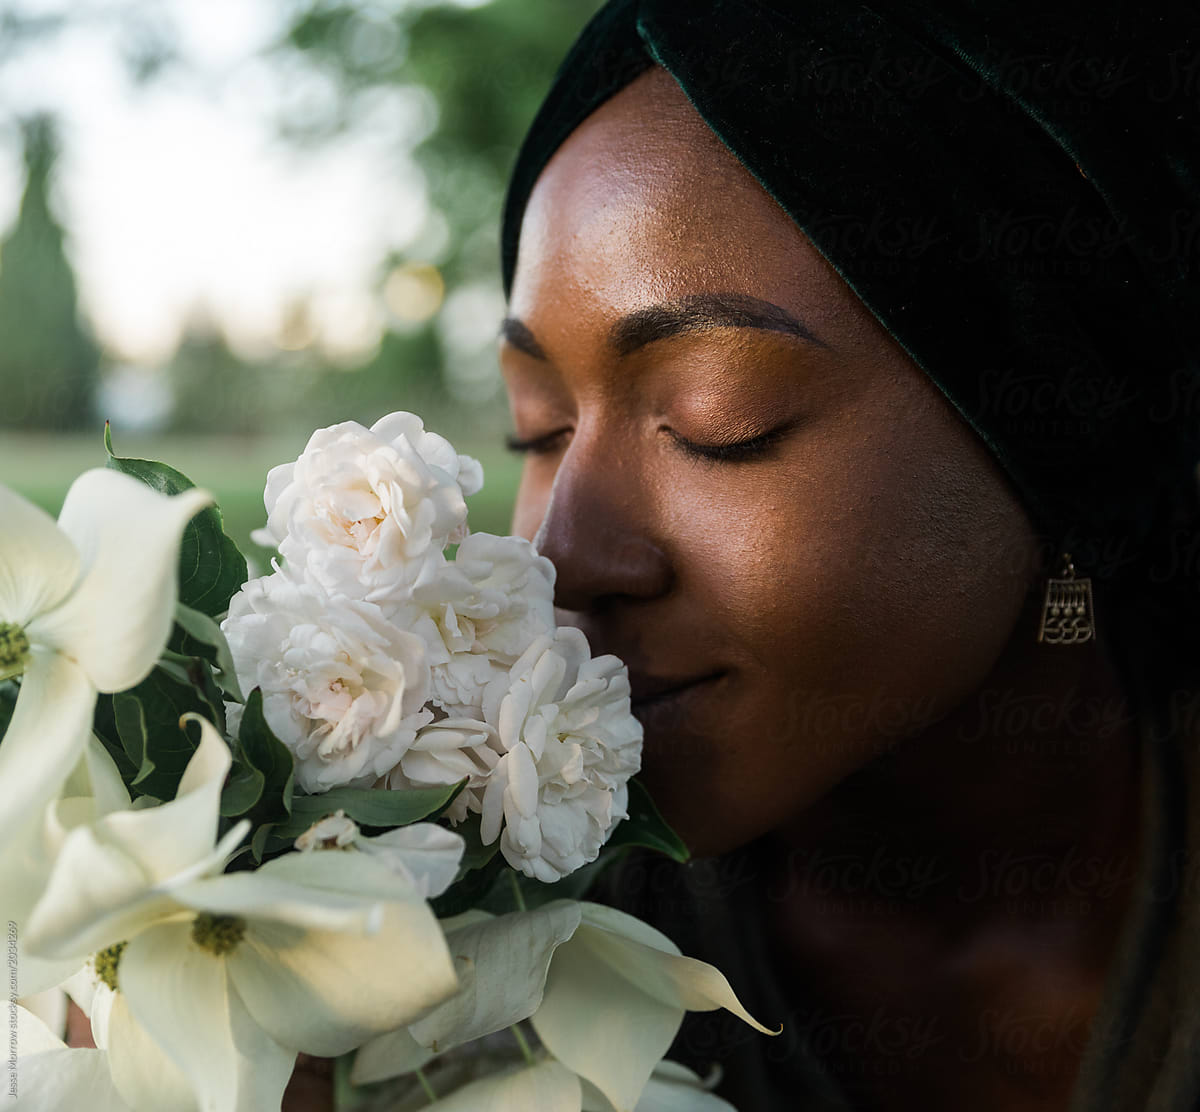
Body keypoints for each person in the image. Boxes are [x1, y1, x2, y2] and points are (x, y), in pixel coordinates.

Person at [496, 1, 1200, 1109]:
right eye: (537, 426)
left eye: (715, 415)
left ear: (1062, 427)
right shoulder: (470, 943)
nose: (561, 554)